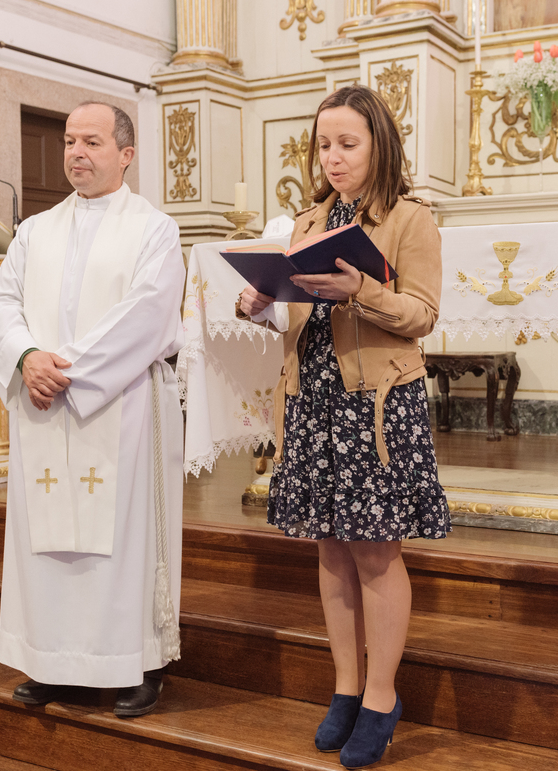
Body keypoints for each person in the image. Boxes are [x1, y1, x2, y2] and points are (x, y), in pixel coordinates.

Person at [237, 85, 449, 768]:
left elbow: (422, 315)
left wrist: (363, 290)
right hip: (316, 399)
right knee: (330, 548)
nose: (332, 156)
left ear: (378, 144)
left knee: (375, 552)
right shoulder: (305, 222)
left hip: (377, 405)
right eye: (324, 144)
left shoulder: (410, 219)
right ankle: (346, 687)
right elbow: (299, 317)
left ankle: (383, 695)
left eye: (347, 143)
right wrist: (263, 299)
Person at [0, 101, 185, 718]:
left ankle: (136, 664)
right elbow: (0, 306)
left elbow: (148, 315)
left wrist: (64, 370)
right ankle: (52, 662)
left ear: (125, 154)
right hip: (46, 406)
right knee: (51, 544)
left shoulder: (153, 228)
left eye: (91, 141)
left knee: (122, 542)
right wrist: (25, 358)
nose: (75, 152)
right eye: (70, 141)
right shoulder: (35, 230)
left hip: (118, 406)